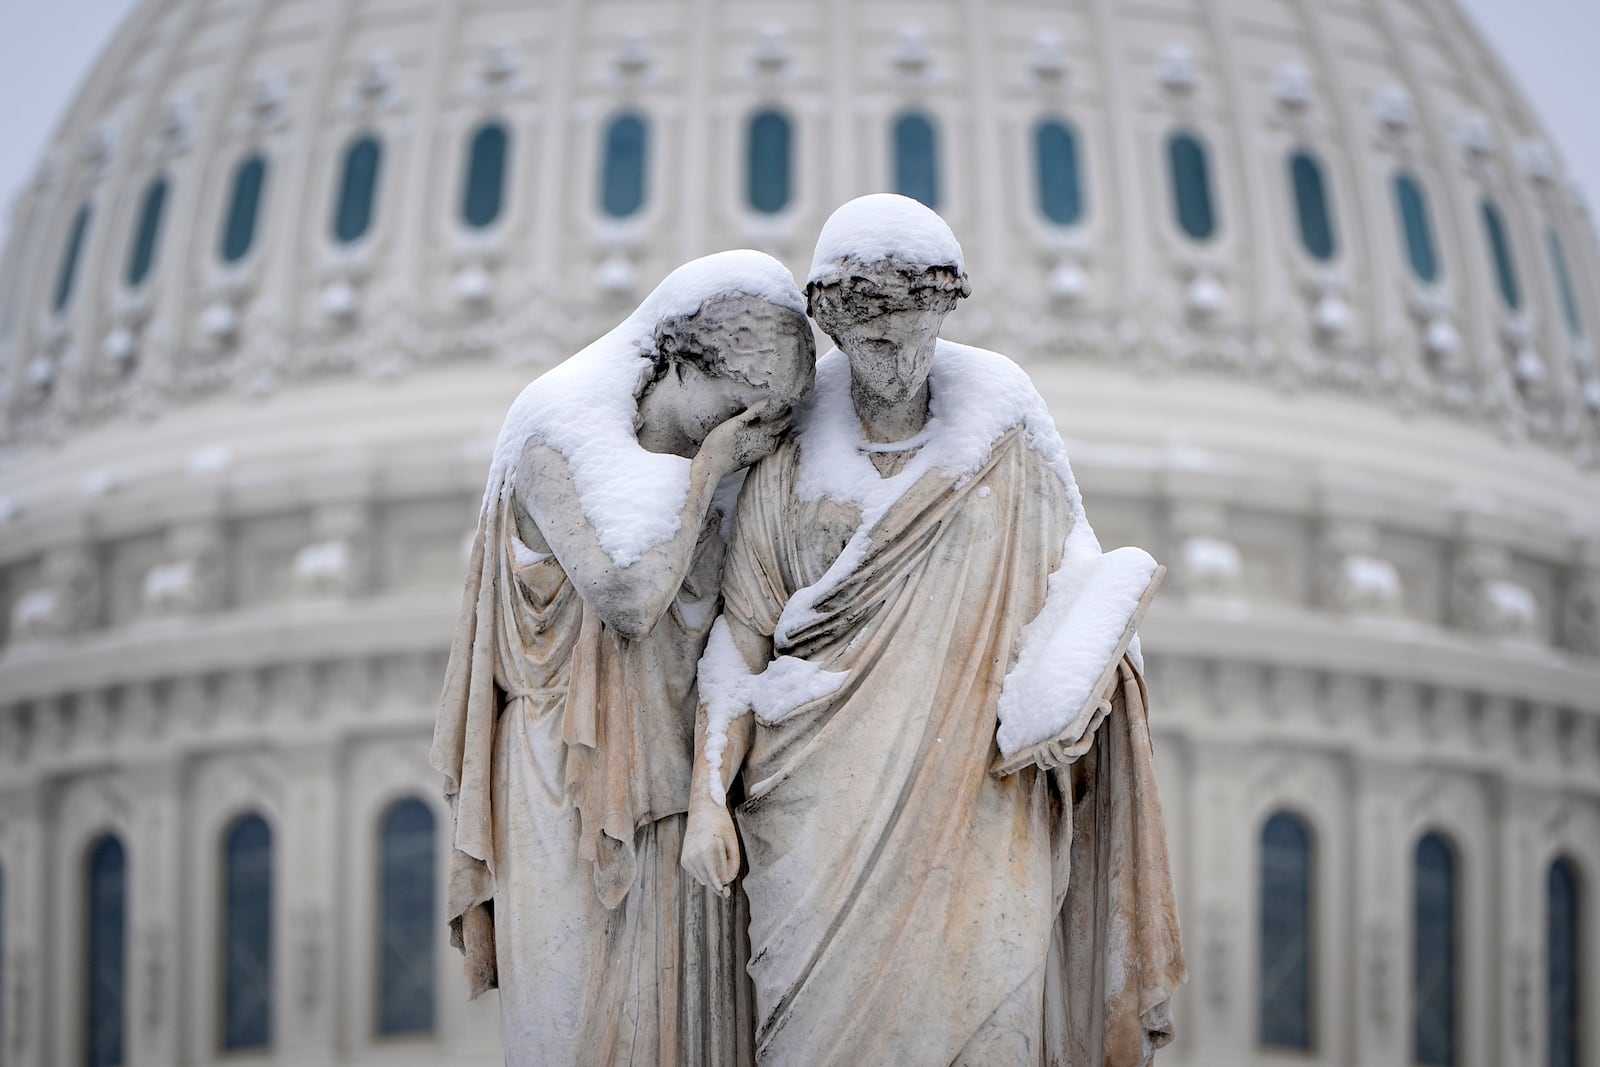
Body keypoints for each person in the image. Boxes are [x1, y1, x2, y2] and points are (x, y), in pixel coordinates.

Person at [681, 195, 1187, 1065]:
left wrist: (1086, 686)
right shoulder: (791, 464)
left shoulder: (1008, 441)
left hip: (980, 814)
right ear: (835, 332)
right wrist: (705, 796)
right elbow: (742, 641)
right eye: (874, 338)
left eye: (917, 329)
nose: (899, 355)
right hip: (817, 822)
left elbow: (1075, 596)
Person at [431, 250, 815, 1065]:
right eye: (734, 409)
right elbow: (631, 600)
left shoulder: (736, 459)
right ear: (678, 362)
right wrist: (710, 469)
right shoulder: (555, 435)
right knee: (580, 1032)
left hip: (680, 793)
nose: (746, 434)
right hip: (569, 783)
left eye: (764, 419)